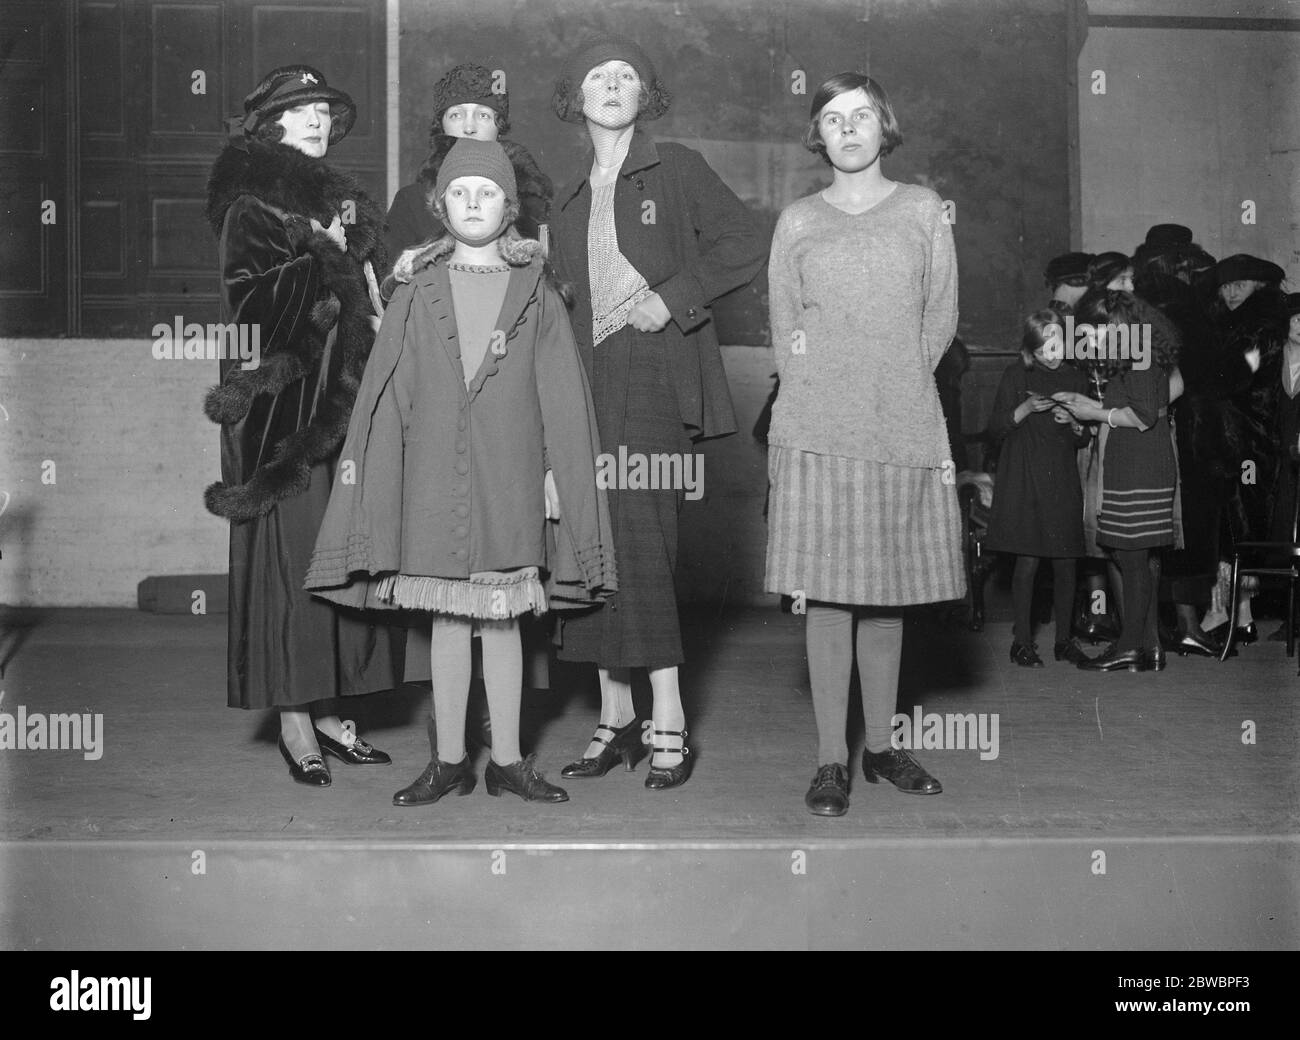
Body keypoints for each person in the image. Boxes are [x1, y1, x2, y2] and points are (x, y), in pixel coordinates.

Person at [306, 139, 618, 806]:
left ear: (509, 208)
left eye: (487, 193)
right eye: (459, 193)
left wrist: (559, 475)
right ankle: (449, 760)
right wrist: (380, 487)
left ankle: (506, 760)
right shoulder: (416, 290)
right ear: (439, 208)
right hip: (432, 485)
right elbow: (387, 397)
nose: (473, 203)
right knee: (447, 622)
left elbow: (562, 397)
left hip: (511, 481)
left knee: (503, 620)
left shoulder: (537, 291)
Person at [548, 35, 766, 790]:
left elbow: (745, 242)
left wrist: (670, 299)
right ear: (576, 99)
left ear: (646, 97)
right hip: (585, 379)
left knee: (640, 538)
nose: (612, 84)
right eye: (597, 75)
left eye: (627, 76)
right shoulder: (566, 194)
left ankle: (666, 713)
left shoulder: (673, 166)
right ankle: (613, 714)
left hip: (652, 370)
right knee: (590, 542)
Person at [766, 72, 961, 817]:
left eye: (861, 117)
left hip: (901, 419)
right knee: (827, 594)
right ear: (819, 135)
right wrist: (821, 390)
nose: (847, 130)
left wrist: (896, 382)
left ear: (885, 127)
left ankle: (880, 747)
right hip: (815, 426)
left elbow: (938, 317)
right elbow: (787, 327)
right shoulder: (796, 221)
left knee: (887, 594)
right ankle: (829, 761)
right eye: (832, 119)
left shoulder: (921, 210)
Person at [204, 65, 403, 786]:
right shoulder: (251, 204)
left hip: (342, 398)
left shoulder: (338, 202)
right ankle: (294, 720)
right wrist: (328, 259)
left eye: (324, 108)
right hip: (280, 407)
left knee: (334, 552)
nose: (317, 119)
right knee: (288, 560)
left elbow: (366, 297)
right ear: (270, 127)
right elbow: (248, 308)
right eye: (300, 110)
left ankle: (324, 708)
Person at [1053, 289, 1180, 672]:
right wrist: (1089, 412)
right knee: (1134, 557)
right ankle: (1144, 646)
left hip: (1140, 466)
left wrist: (1095, 411)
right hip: (1137, 463)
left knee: (1132, 557)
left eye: (1096, 331)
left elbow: (1143, 418)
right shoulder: (1139, 355)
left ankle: (1129, 647)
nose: (1091, 340)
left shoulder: (1139, 361)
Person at [984, 309, 1090, 666]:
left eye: (1058, 346)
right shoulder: (1016, 374)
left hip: (1060, 477)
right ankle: (1023, 641)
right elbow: (995, 430)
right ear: (1031, 349)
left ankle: (1064, 640)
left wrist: (1074, 423)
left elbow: (1084, 436)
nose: (1053, 354)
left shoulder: (1076, 376)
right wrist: (1026, 407)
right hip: (1025, 476)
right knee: (1027, 561)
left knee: (1066, 563)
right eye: (1045, 349)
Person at [383, 63, 552, 262]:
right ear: (442, 126)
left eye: (483, 115)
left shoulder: (531, 204)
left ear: (500, 128)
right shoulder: (412, 201)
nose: (469, 127)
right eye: (456, 115)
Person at [1208, 254, 1290, 644]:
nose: (1230, 291)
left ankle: (1233, 613)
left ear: (1260, 285)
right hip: (1241, 435)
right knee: (1237, 517)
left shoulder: (1258, 329)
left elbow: (1234, 377)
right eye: (1225, 285)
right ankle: (1239, 615)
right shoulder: (1248, 325)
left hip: (1247, 437)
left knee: (1240, 517)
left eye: (1240, 283)